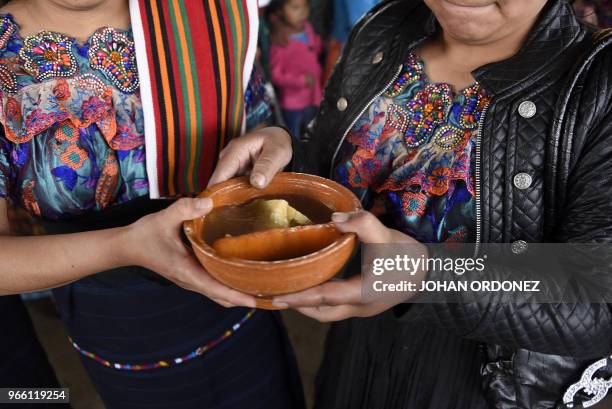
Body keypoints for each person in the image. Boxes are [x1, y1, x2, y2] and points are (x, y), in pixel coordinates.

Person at [215, 0, 612, 408]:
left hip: (487, 382)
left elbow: (595, 298)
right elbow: (334, 174)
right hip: (357, 348)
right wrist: (288, 158)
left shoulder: (597, 85)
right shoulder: (385, 28)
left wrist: (424, 275)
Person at [0, 0, 304, 408]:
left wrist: (277, 140)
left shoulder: (209, 14)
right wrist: (120, 246)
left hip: (236, 288)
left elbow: (261, 140)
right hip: (119, 325)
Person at [268, 0, 322, 140]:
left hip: (312, 95)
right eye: (295, 7)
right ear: (280, 10)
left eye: (306, 6)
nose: (303, 12)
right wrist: (300, 80)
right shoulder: (281, 40)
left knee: (312, 131)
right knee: (293, 137)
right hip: (292, 102)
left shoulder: (307, 27)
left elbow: (313, 50)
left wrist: (318, 43)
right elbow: (276, 75)